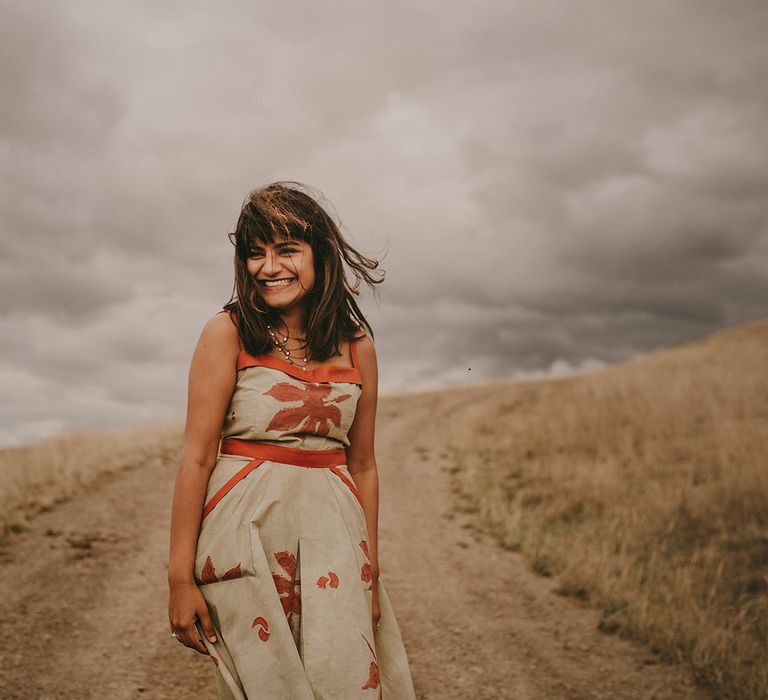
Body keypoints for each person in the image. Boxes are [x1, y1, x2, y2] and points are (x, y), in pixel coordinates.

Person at [167, 181, 417, 699]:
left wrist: (369, 573)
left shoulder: (357, 345)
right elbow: (195, 458)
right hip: (245, 536)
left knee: (346, 682)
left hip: (337, 541)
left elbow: (364, 464)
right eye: (255, 253)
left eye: (286, 250)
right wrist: (179, 579)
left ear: (319, 255)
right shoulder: (227, 332)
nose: (268, 266)